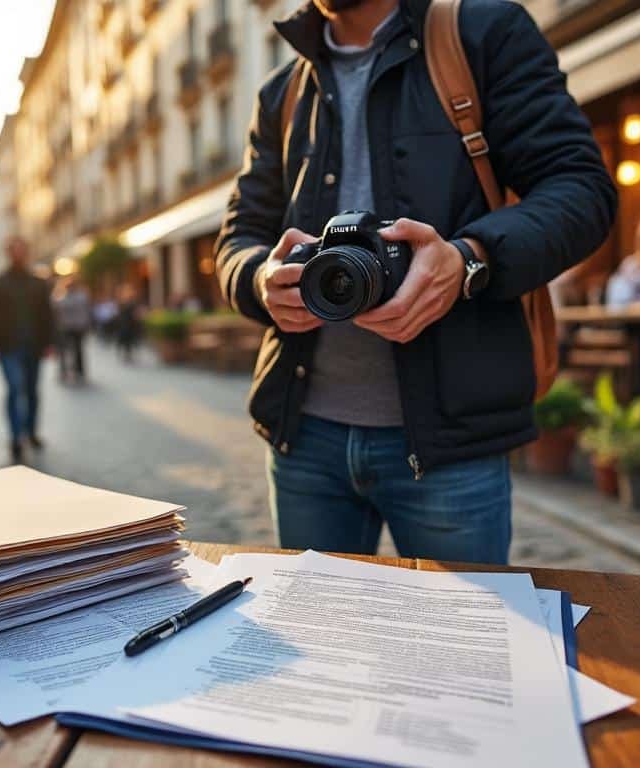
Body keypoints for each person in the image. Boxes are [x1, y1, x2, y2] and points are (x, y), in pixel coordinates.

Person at [218, 0, 616, 563]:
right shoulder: (281, 94)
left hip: (451, 443)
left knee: (463, 645)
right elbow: (237, 240)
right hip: (303, 436)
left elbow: (581, 190)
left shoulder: (481, 33)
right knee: (324, 644)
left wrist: (469, 259)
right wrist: (260, 278)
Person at [0, 237, 55, 464]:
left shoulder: (38, 283)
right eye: (14, 250)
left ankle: (31, 431)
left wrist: (50, 343)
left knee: (32, 390)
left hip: (33, 345)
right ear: (8, 253)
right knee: (15, 388)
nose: (18, 254)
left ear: (26, 253)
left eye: (21, 250)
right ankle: (16, 436)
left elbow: (47, 315)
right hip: (8, 346)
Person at [52, 277, 92, 381]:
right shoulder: (62, 297)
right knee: (64, 351)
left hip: (78, 327)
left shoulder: (80, 297)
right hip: (66, 327)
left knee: (78, 350)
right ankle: (64, 371)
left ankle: (78, 370)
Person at [112, 283, 142, 363]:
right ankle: (126, 354)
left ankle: (128, 355)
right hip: (124, 324)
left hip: (130, 324)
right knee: (125, 339)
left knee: (129, 340)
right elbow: (119, 312)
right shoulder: (121, 302)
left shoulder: (132, 302)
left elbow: (135, 313)